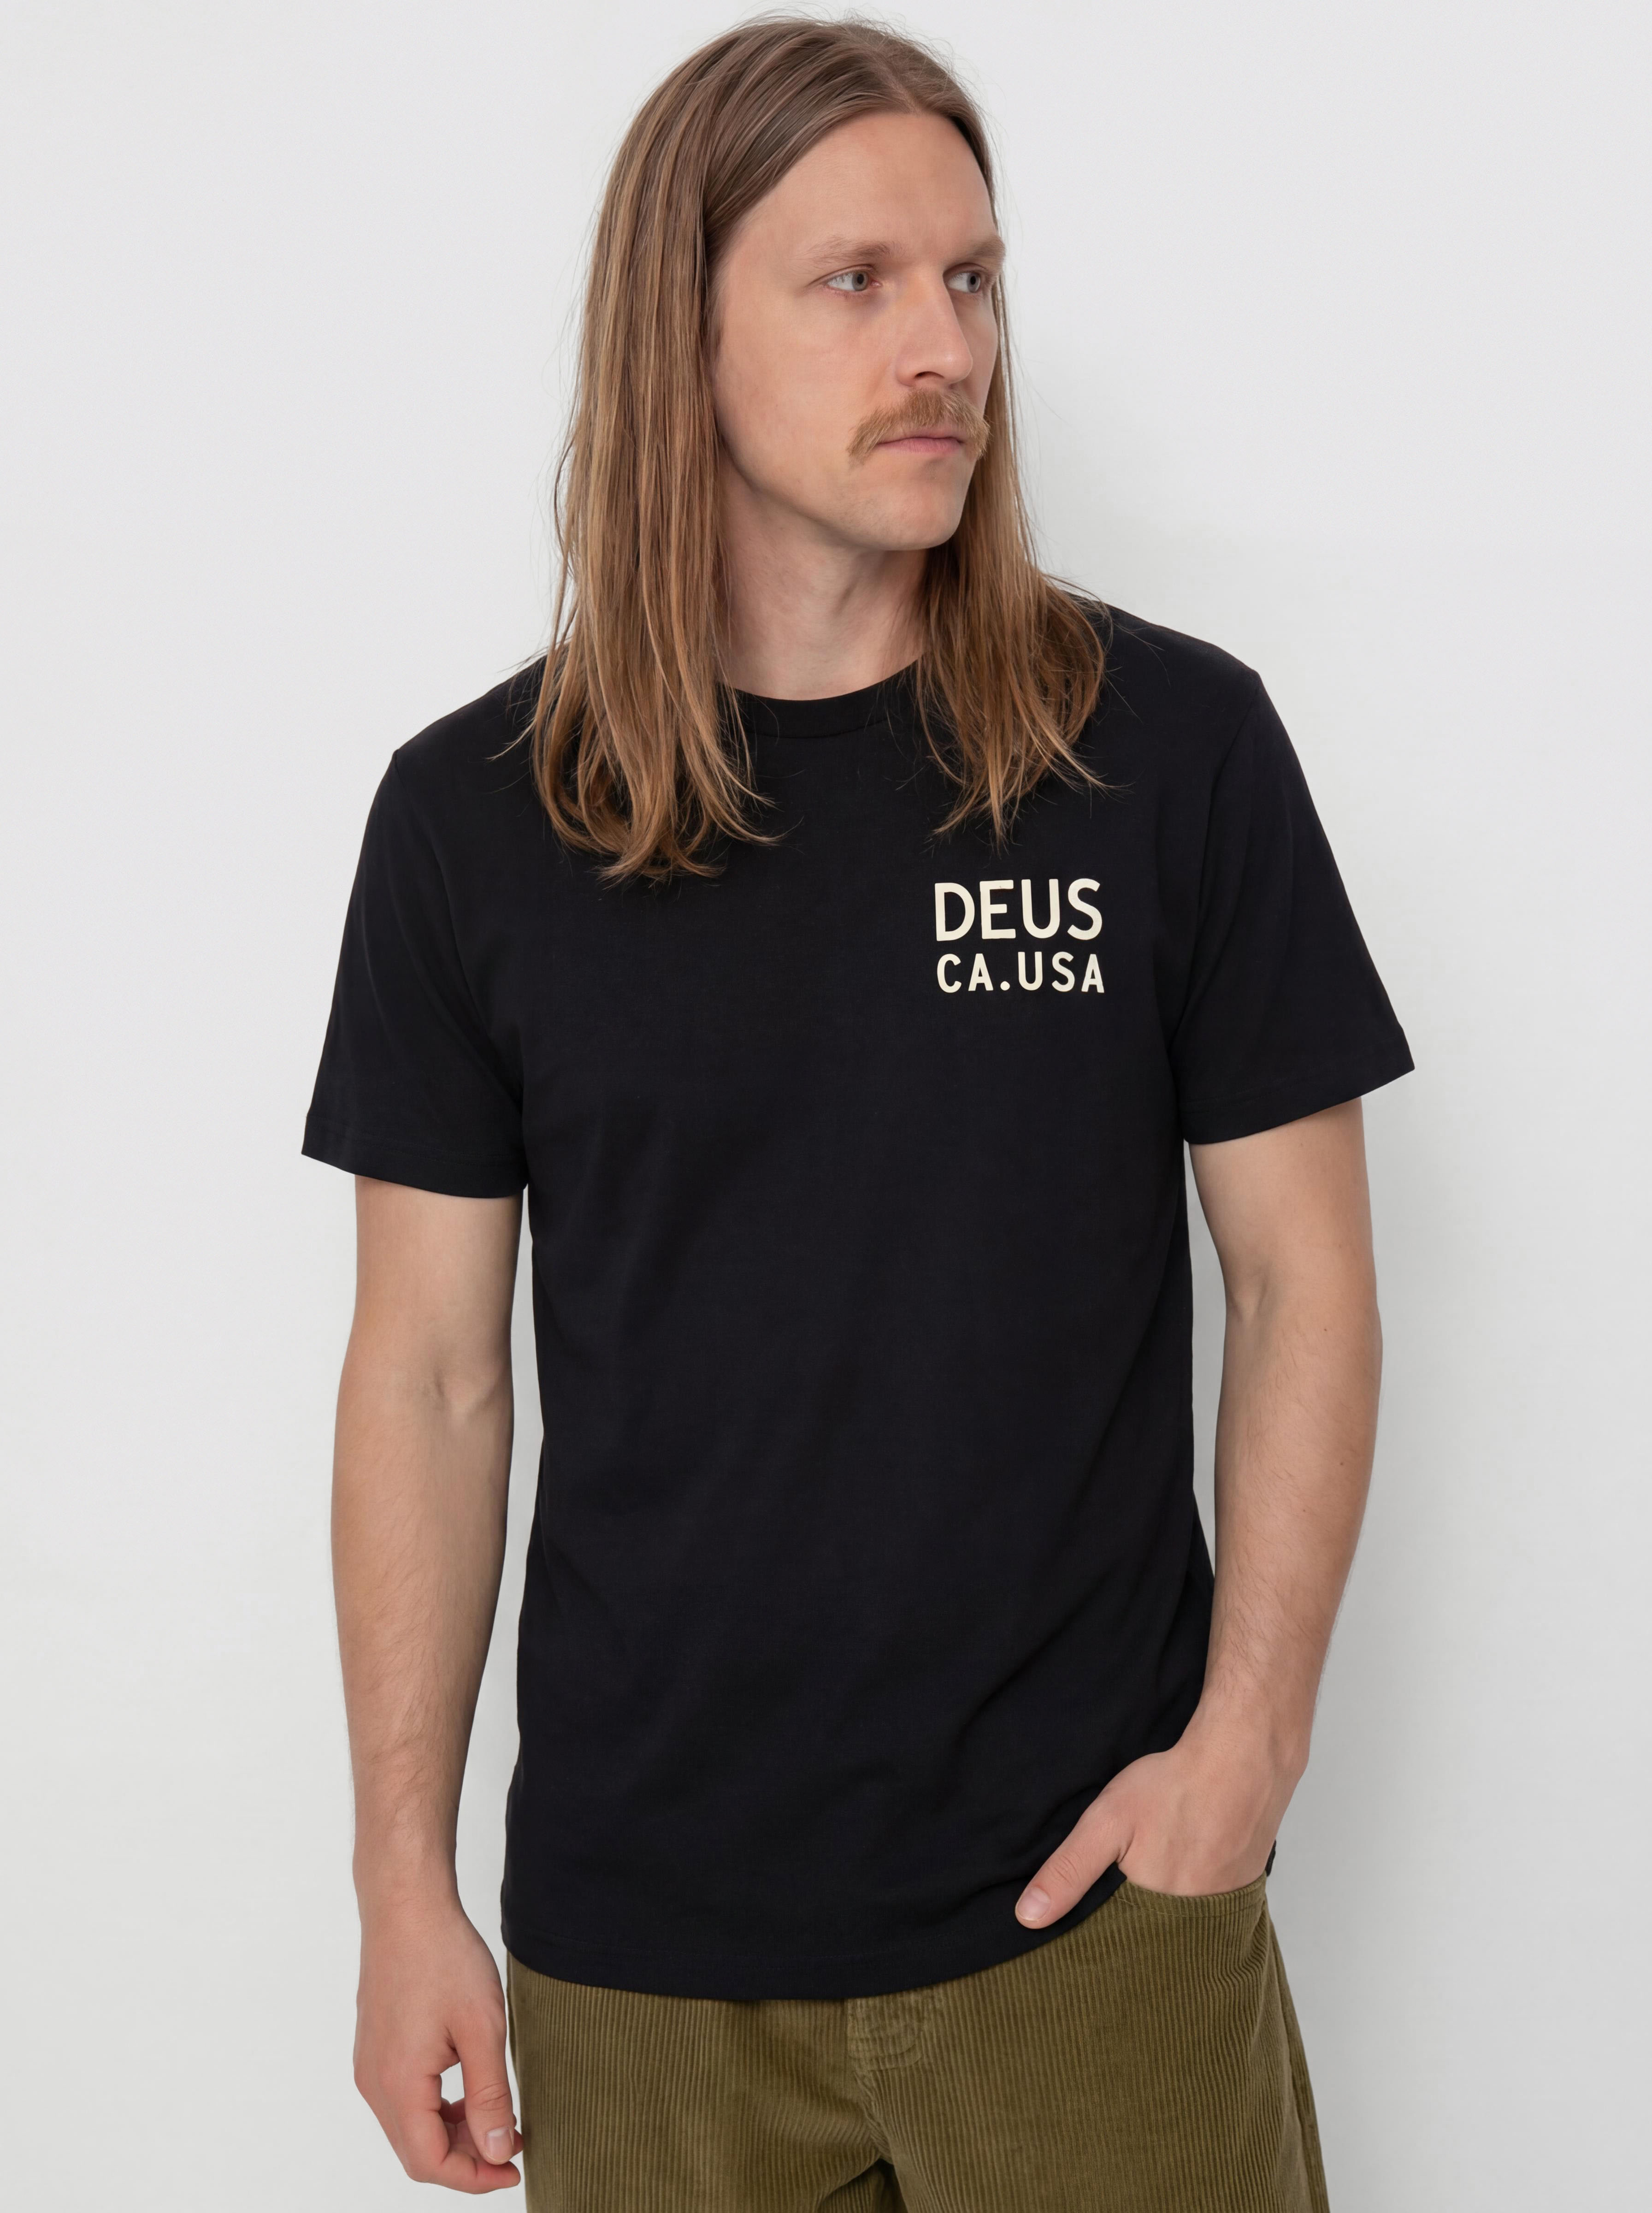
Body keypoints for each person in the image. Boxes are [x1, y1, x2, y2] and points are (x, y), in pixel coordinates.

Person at [303, 18, 1413, 2209]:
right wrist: (399, 1883)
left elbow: (1302, 1283)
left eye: (972, 279)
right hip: (643, 1965)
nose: (946, 349)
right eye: (858, 281)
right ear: (681, 328)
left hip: (1093, 1923)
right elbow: (426, 1376)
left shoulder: (1165, 751)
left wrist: (1245, 1751)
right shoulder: (472, 822)